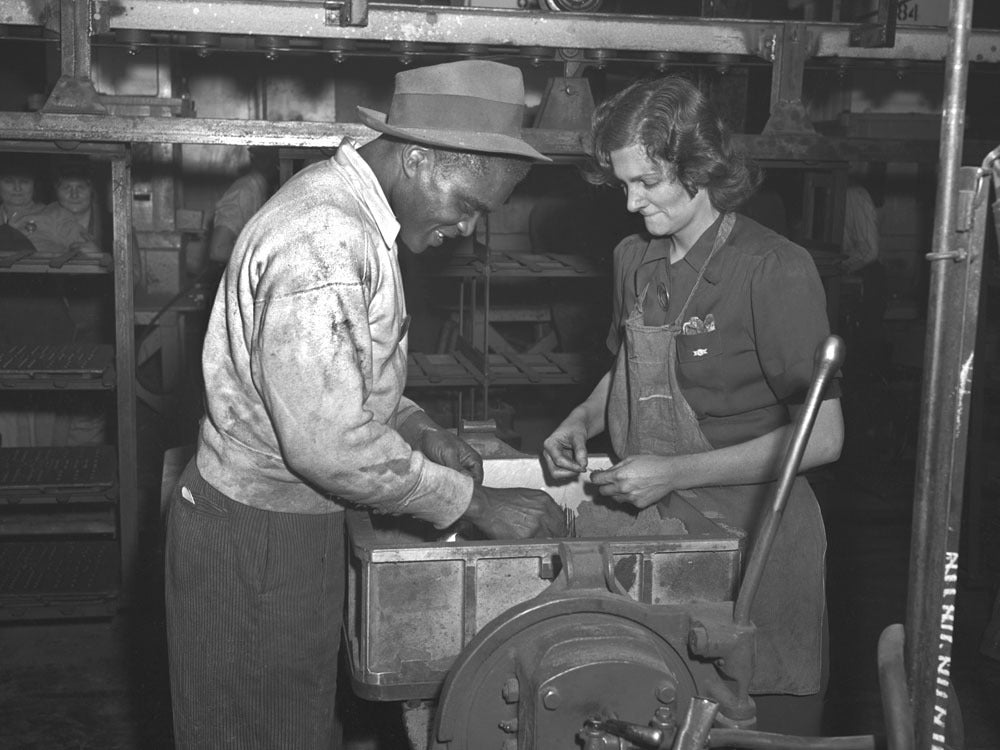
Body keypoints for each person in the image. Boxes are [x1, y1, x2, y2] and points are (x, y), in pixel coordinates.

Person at [164, 60, 567, 750]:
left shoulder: (352, 220)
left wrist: (417, 425)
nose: (468, 229)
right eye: (467, 204)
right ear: (417, 158)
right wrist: (474, 504)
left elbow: (338, 381)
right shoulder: (323, 238)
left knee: (297, 726)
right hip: (258, 543)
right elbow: (327, 443)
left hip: (290, 525)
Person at [541, 76, 844, 734]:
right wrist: (579, 420)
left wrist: (673, 472)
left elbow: (822, 438)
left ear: (697, 164)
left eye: (647, 182)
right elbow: (624, 370)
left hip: (756, 538)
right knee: (653, 710)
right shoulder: (635, 260)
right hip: (657, 534)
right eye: (623, 184)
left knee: (754, 719)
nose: (630, 202)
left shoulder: (771, 269)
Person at [206, 145, 279, 266]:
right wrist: (266, 260)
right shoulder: (244, 191)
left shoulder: (263, 189)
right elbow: (218, 249)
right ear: (265, 160)